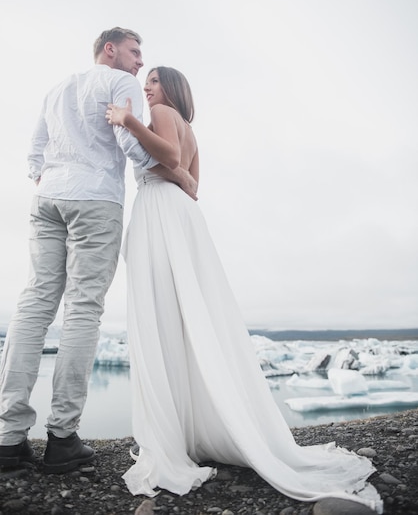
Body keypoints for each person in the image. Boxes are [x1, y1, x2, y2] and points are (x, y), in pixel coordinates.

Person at [104, 67, 383, 513]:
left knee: (161, 317)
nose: (146, 87)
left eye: (153, 80)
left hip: (160, 212)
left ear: (170, 89)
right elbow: (193, 185)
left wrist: (128, 120)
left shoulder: (158, 112)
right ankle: (198, 427)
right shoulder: (190, 126)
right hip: (183, 216)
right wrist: (167, 163)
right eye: (147, 81)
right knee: (191, 315)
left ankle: (174, 437)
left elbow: (172, 160)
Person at [0, 29, 196, 474]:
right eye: (134, 52)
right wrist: (173, 171)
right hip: (95, 200)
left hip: (48, 198)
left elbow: (34, 147)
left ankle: (8, 442)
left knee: (34, 305)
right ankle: (62, 438)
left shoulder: (57, 89)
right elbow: (129, 143)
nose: (139, 64)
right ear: (110, 48)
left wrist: (43, 176)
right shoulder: (119, 83)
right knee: (84, 309)